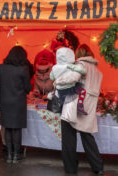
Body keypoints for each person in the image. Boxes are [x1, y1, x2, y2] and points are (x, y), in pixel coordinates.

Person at [56, 44, 104, 175]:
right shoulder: (98, 71)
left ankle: (71, 168)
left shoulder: (80, 65)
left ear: (78, 54)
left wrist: (58, 80)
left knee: (68, 139)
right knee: (87, 137)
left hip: (73, 105)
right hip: (87, 107)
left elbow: (72, 79)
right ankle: (98, 166)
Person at [0, 46, 31, 163]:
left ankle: (9, 155)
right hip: (18, 103)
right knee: (16, 130)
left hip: (5, 102)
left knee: (7, 128)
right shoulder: (23, 69)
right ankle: (16, 155)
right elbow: (27, 88)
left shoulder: (1, 68)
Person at [50, 47, 88, 115]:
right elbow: (82, 71)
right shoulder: (69, 65)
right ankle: (79, 106)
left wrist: (57, 74)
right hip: (70, 88)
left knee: (62, 107)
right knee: (83, 91)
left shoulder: (54, 67)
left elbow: (51, 77)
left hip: (59, 90)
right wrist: (83, 72)